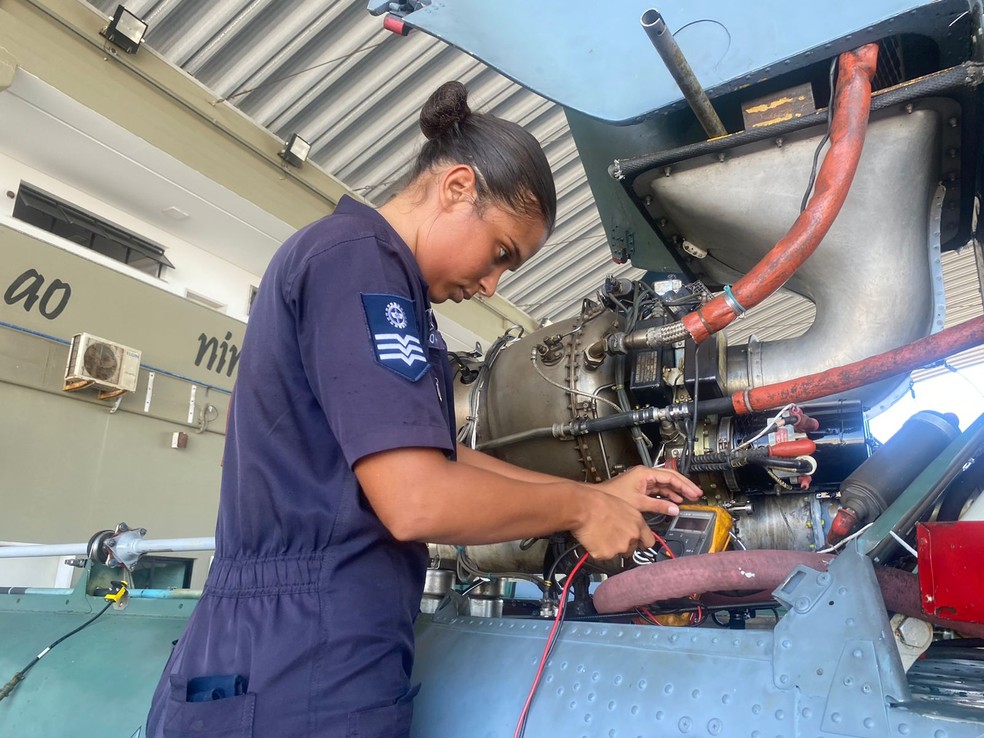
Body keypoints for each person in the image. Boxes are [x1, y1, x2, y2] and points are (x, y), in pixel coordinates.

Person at [146, 80, 702, 738]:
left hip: (311, 644)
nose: (492, 285)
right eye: (501, 253)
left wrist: (598, 493)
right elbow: (418, 500)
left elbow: (441, 456)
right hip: (295, 658)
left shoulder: (384, 287)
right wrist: (580, 510)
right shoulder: (357, 264)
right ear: (457, 187)